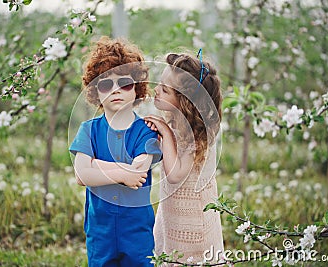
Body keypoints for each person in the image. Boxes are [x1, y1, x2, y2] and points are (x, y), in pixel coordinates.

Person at [69, 36, 162, 267]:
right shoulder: (89, 129)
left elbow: (138, 172)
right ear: (95, 90)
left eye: (125, 83)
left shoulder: (145, 131)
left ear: (137, 88)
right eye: (105, 84)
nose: (116, 90)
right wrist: (122, 173)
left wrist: (96, 167)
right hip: (100, 230)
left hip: (137, 230)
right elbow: (82, 175)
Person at [144, 50, 224, 264]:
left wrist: (166, 135)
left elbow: (175, 174)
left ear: (185, 101)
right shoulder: (174, 123)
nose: (156, 90)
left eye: (165, 89)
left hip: (193, 221)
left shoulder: (198, 135)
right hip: (172, 214)